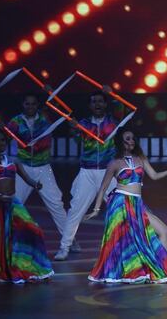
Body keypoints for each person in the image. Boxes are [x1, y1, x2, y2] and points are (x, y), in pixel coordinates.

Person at [85, 128, 167, 284]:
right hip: (121, 204)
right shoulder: (115, 163)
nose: (131, 142)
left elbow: (154, 175)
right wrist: (96, 209)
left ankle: (162, 267)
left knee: (163, 229)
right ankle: (125, 270)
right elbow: (103, 187)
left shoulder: (140, 159)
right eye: (127, 139)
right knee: (121, 242)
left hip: (137, 204)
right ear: (120, 143)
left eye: (132, 138)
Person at [0, 130, 54, 283]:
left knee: (33, 229)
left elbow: (26, 178)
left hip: (12, 202)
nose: (1, 144)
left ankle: (26, 266)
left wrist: (35, 184)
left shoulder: (13, 160)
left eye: (3, 141)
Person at [55, 87, 124, 260]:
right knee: (75, 210)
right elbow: (78, 140)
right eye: (94, 102)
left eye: (101, 101)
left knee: (121, 208)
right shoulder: (83, 124)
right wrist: (74, 129)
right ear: (90, 105)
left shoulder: (113, 121)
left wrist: (112, 94)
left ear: (105, 104)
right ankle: (65, 247)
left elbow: (123, 108)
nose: (97, 104)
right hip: (87, 171)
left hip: (108, 172)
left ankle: (128, 244)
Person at [6, 92, 68, 238]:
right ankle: (6, 238)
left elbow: (61, 109)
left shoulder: (46, 117)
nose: (30, 106)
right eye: (27, 103)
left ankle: (69, 240)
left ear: (38, 105)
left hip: (43, 167)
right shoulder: (15, 122)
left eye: (33, 103)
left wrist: (51, 92)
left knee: (56, 204)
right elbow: (4, 139)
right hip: (23, 168)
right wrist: (3, 129)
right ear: (22, 104)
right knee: (15, 204)